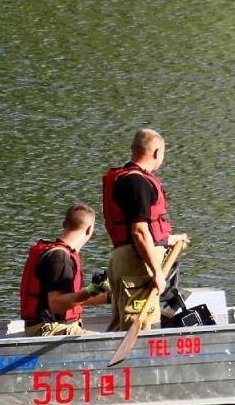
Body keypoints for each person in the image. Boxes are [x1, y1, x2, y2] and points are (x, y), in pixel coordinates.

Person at [101, 128, 188, 331]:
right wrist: (157, 272)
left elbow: (145, 229)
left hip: (123, 259)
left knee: (121, 322)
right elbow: (139, 231)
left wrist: (168, 240)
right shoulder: (137, 182)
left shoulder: (125, 178)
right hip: (137, 264)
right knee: (143, 325)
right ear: (157, 152)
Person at [18, 204, 109, 336]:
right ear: (90, 230)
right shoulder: (60, 258)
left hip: (51, 327)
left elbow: (71, 299)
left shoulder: (57, 254)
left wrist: (111, 297)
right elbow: (56, 304)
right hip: (48, 329)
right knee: (108, 342)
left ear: (64, 224)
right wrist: (91, 290)